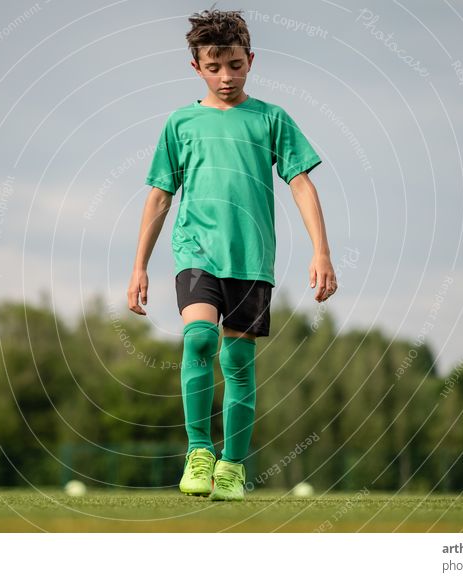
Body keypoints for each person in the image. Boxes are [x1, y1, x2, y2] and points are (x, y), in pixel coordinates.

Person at [127, 7, 337, 501]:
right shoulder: (181, 124)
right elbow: (159, 196)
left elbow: (302, 185)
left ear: (251, 61)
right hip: (196, 251)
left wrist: (321, 252)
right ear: (196, 66)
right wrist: (138, 265)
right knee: (199, 339)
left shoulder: (271, 119)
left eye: (235, 65)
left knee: (238, 360)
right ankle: (199, 452)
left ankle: (233, 468)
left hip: (251, 259)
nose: (226, 76)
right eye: (214, 66)